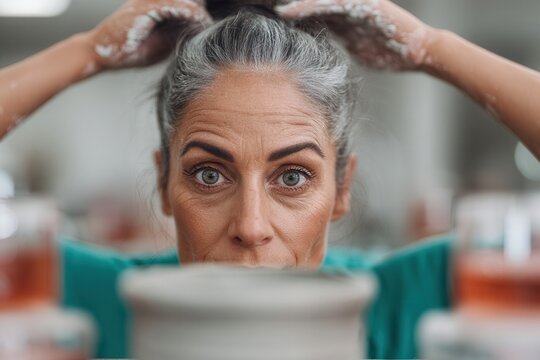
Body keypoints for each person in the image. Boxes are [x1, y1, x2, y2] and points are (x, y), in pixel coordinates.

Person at [0, 0, 539, 358]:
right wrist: (86, 51)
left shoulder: (403, 300)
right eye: (209, 174)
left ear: (342, 189)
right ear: (164, 184)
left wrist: (434, 50)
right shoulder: (95, 302)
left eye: (293, 177)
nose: (251, 226)